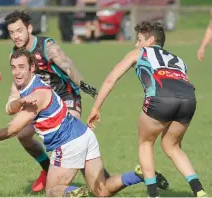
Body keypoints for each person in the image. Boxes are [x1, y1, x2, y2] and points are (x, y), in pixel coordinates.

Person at [0, 48, 168, 197]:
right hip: (84, 135)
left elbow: (13, 129)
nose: (17, 72)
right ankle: (138, 174)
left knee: (53, 192)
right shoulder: (26, 88)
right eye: (13, 68)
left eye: (21, 67)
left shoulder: (36, 96)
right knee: (103, 190)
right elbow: (9, 108)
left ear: (32, 68)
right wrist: (17, 103)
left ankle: (78, 193)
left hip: (69, 143)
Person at [87, 21, 208, 198]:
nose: (136, 44)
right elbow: (186, 82)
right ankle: (200, 191)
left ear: (150, 40)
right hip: (188, 99)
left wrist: (96, 107)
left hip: (160, 98)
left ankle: (153, 195)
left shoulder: (139, 53)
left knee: (146, 143)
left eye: (139, 40)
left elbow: (110, 79)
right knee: (172, 145)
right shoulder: (178, 60)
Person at [4, 11, 98, 192]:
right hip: (42, 103)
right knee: (23, 135)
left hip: (66, 96)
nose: (16, 36)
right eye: (12, 32)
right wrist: (14, 101)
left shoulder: (47, 46)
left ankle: (97, 182)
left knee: (71, 140)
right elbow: (15, 86)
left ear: (29, 28)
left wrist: (82, 83)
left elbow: (66, 64)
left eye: (19, 30)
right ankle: (47, 170)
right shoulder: (14, 55)